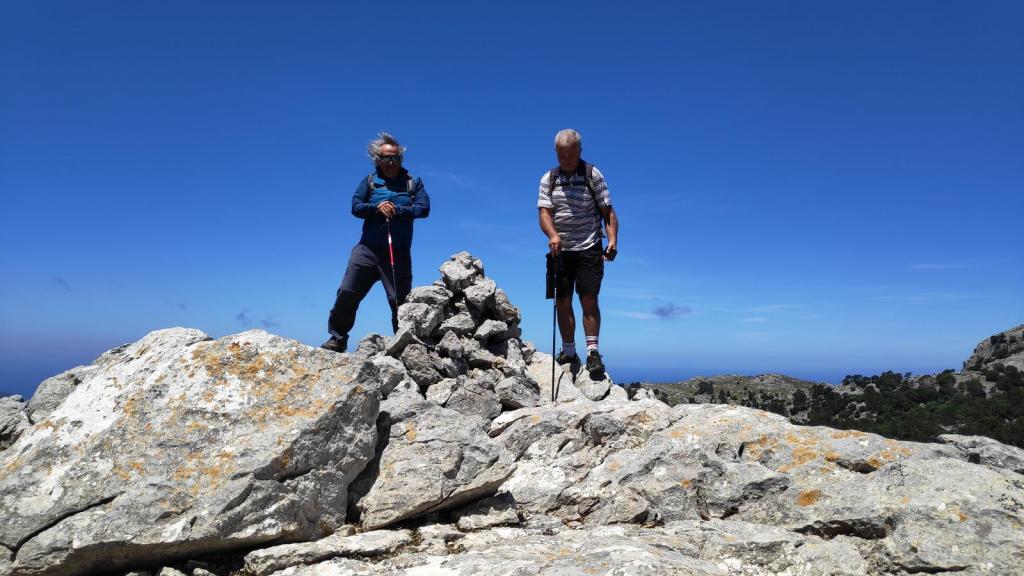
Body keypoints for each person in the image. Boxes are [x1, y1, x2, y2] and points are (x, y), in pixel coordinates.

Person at [322, 132, 430, 352]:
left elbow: (424, 208)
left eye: (394, 157)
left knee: (400, 302)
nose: (390, 162)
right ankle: (337, 339)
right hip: (367, 250)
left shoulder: (412, 182)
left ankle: (404, 347)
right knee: (347, 292)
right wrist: (376, 208)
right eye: (385, 158)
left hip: (397, 251)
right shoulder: (370, 181)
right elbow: (356, 206)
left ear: (401, 158)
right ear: (378, 160)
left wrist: (398, 210)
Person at [538, 128, 619, 377]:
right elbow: (544, 213)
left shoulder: (592, 175)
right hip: (560, 250)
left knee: (588, 298)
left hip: (589, 247)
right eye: (562, 156)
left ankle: (593, 352)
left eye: (571, 156)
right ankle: (569, 351)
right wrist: (553, 235)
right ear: (556, 153)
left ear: (580, 151)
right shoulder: (548, 179)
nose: (566, 160)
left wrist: (613, 239)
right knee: (562, 301)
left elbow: (608, 212)